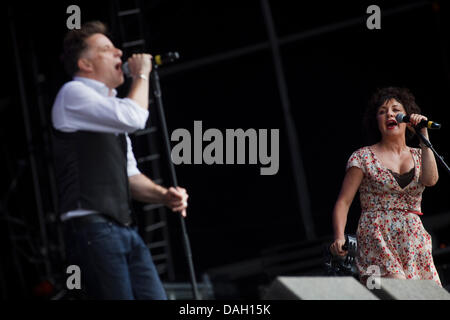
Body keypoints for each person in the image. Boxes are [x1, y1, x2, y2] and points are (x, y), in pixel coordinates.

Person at [51, 21, 189, 299]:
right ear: (85, 65)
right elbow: (135, 117)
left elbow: (130, 176)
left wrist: (165, 195)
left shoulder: (107, 108)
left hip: (122, 229)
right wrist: (142, 76)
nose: (119, 53)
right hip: (93, 227)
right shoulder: (73, 93)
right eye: (106, 49)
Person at [330, 87, 441, 286]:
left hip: (413, 239)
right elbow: (343, 202)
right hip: (376, 237)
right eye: (382, 111)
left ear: (407, 120)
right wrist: (339, 237)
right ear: (377, 123)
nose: (389, 114)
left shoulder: (419, 154)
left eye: (395, 109)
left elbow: (431, 180)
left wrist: (423, 131)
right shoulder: (363, 157)